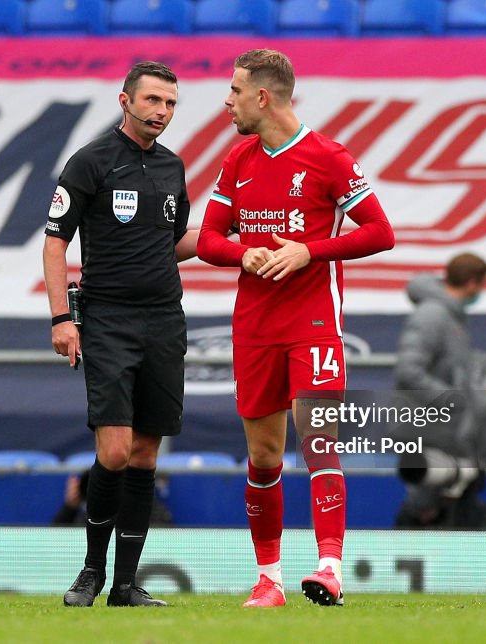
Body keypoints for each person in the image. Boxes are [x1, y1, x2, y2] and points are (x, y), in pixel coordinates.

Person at [197, 49, 395, 607]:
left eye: (235, 91)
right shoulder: (237, 160)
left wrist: (309, 252)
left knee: (319, 445)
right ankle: (270, 580)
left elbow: (380, 232)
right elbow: (210, 238)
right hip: (254, 327)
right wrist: (244, 255)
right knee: (263, 456)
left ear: (263, 96)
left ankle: (330, 567)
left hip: (314, 326)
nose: (227, 101)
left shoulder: (328, 157)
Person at [42, 61, 197, 608]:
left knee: (146, 456)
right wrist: (63, 319)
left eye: (171, 103)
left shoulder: (173, 167)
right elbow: (56, 242)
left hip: (164, 321)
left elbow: (175, 241)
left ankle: (127, 585)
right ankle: (91, 572)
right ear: (125, 101)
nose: (162, 112)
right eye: (153, 100)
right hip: (107, 320)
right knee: (113, 451)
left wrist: (242, 233)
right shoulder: (90, 162)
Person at [392, 253, 486, 530]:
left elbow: (449, 369)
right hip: (427, 432)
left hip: (446, 432)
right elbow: (408, 371)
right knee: (424, 512)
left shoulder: (452, 317)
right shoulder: (433, 315)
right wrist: (453, 399)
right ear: (473, 283)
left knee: (454, 505)